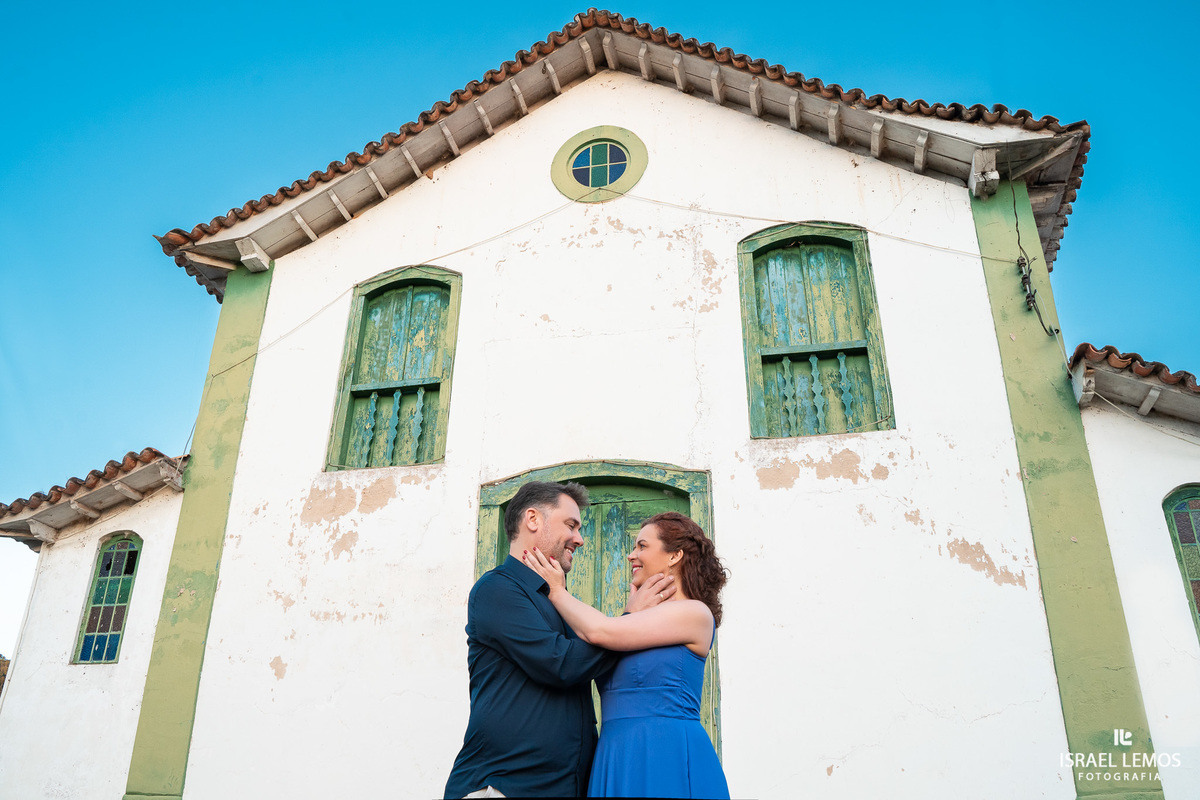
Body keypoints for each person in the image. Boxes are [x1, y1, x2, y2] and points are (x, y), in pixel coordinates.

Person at [444, 481, 676, 799]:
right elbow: (561, 663)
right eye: (571, 525)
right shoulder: (497, 590)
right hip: (504, 788)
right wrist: (630, 621)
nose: (579, 539)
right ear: (533, 519)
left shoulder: (560, 601)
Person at [523, 511, 730, 799]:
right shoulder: (633, 622)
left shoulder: (695, 613)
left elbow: (598, 632)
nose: (632, 555)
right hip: (615, 755)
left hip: (665, 753)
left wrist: (556, 590)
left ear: (675, 556)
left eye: (642, 546)